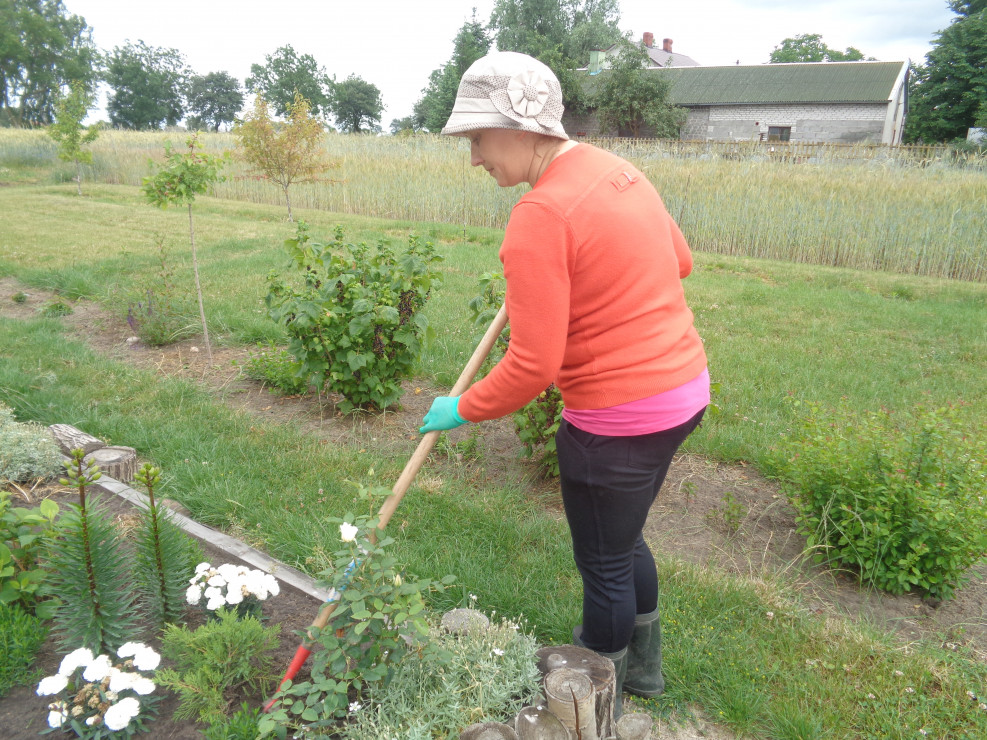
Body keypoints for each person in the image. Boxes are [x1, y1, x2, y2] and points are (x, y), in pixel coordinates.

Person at [419, 51, 709, 715]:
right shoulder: (616, 171)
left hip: (617, 421)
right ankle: (645, 676)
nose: (472, 158)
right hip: (682, 391)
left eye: (476, 139)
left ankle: (589, 707)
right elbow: (680, 261)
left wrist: (459, 407)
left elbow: (532, 367)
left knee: (605, 564)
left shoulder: (541, 215)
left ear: (519, 130)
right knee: (625, 539)